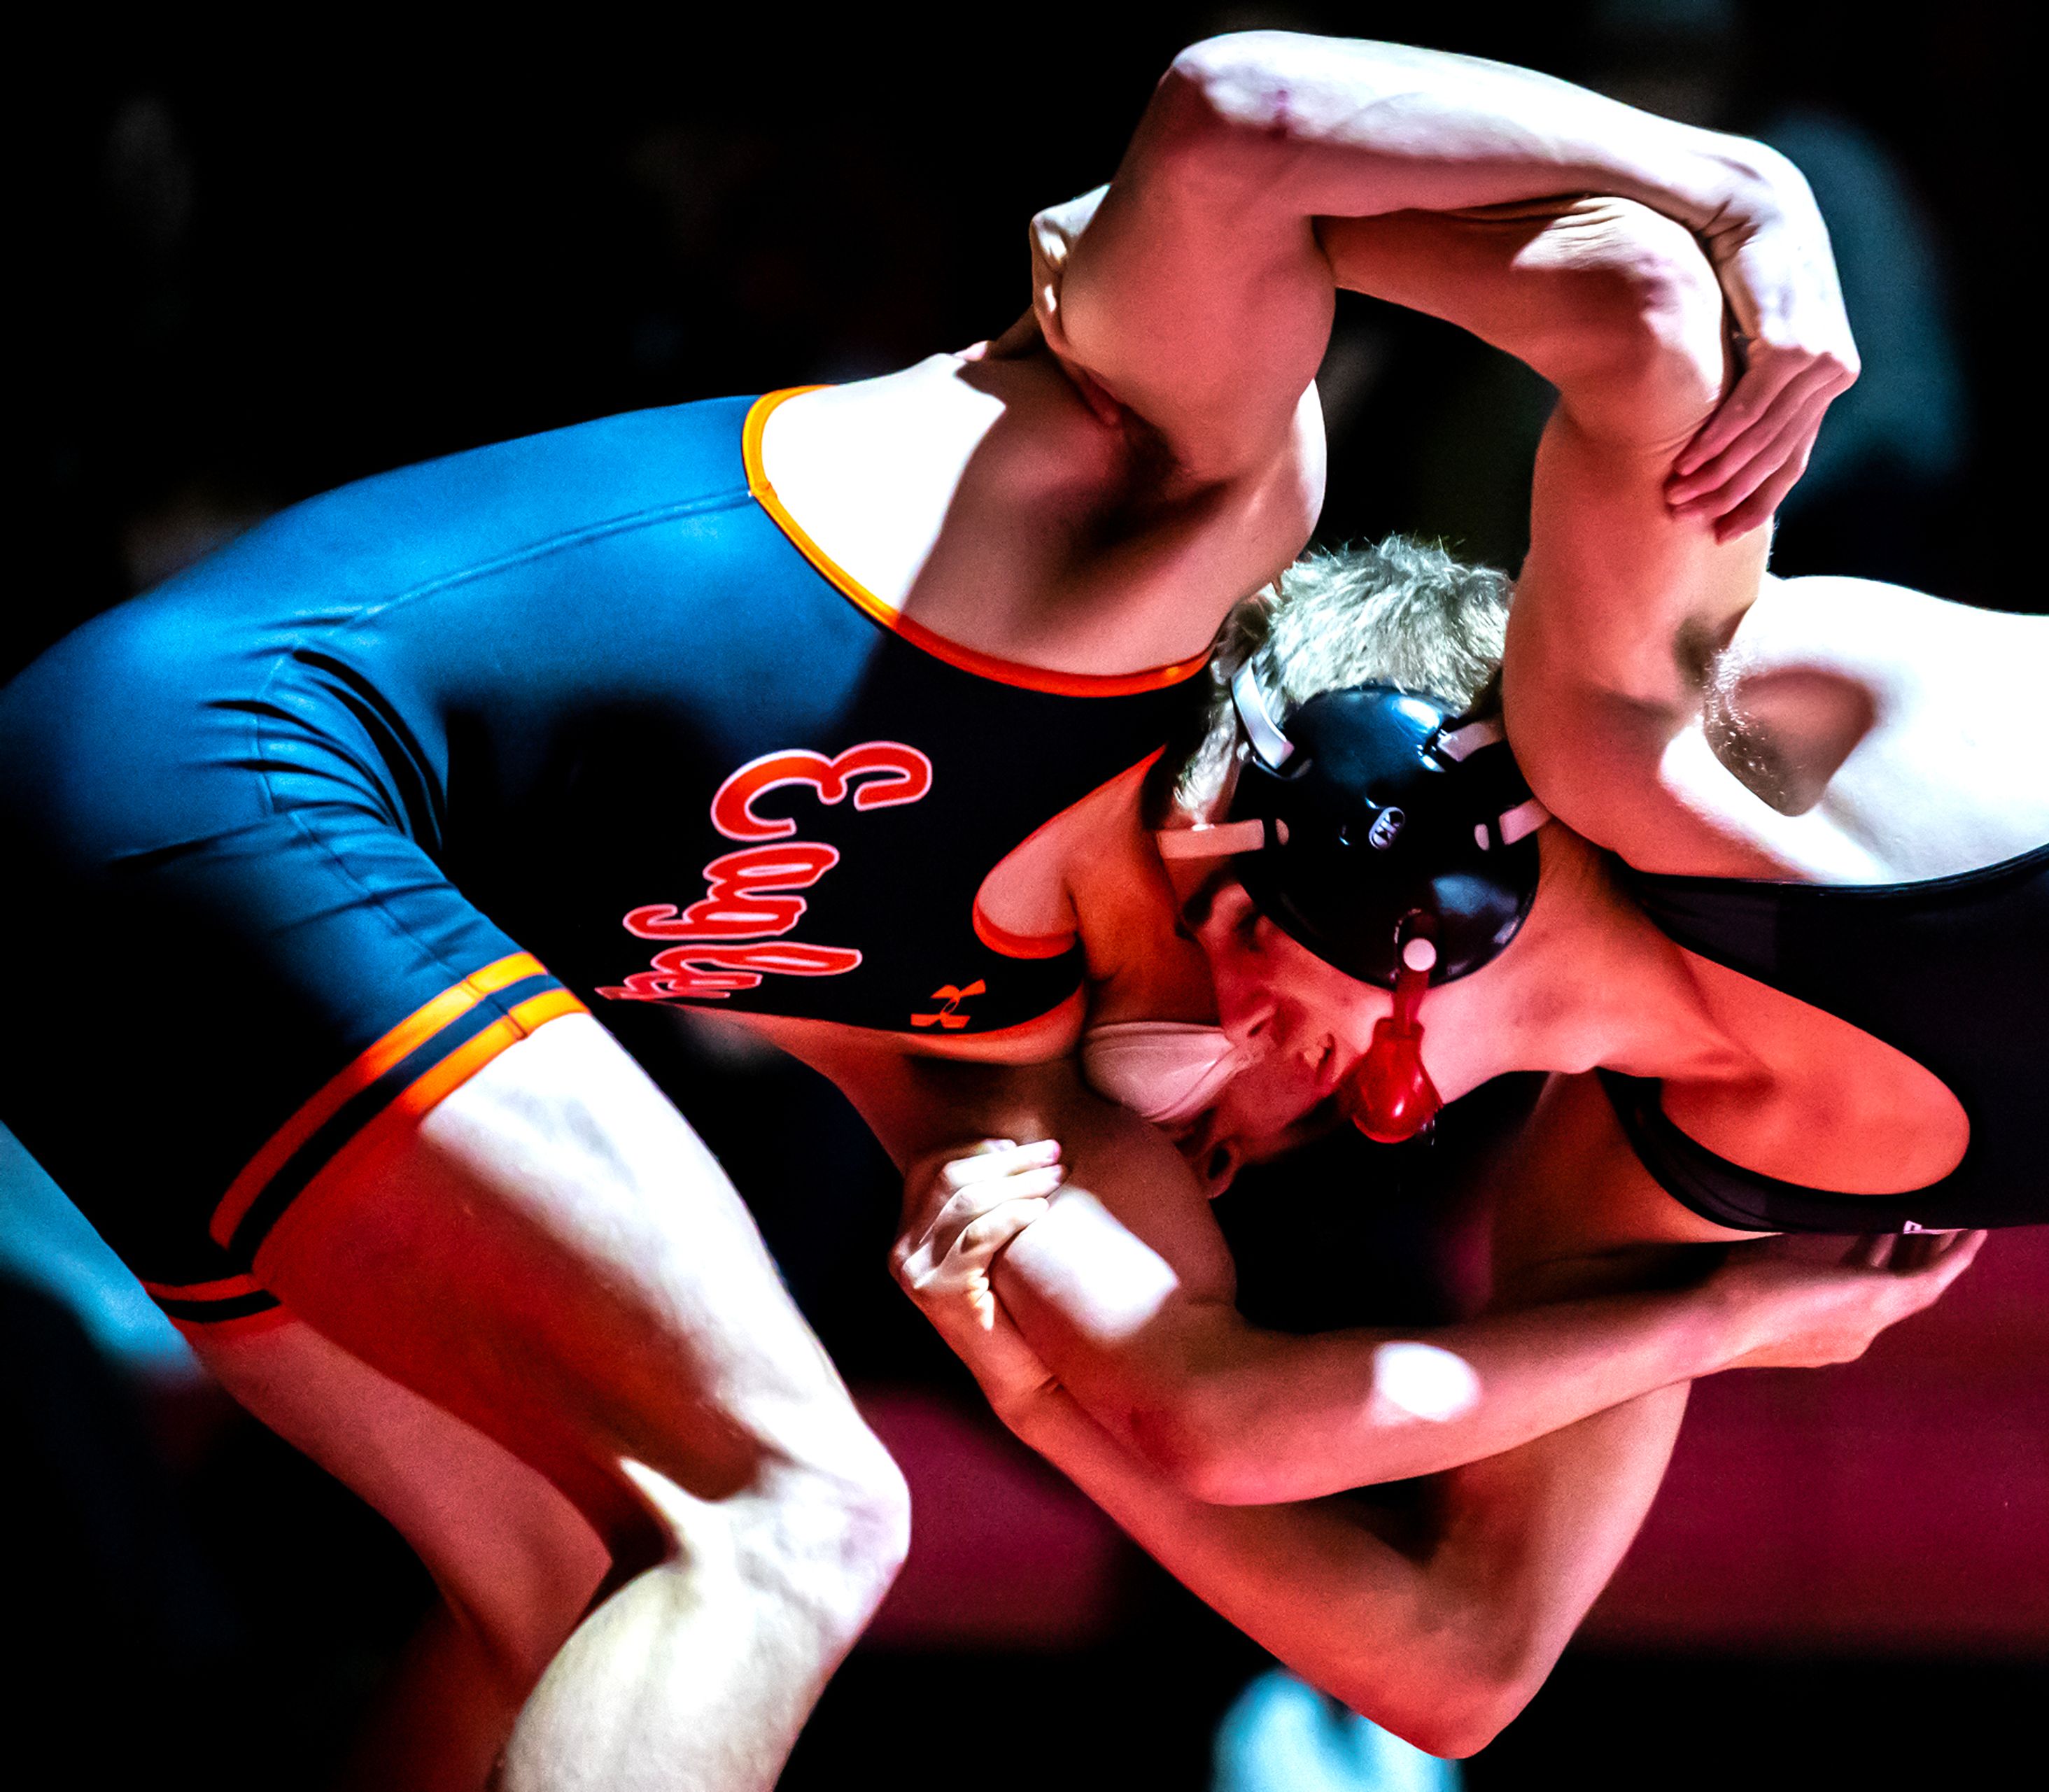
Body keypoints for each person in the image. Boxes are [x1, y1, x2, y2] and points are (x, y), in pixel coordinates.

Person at [0, 35, 1870, 1790]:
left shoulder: (1002, 1073)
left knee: (595, 1592)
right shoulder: (1171, 520)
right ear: (1374, 789)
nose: (1342, 1092)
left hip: (133, 915)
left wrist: (1712, 1311)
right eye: (1413, 977)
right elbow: (1236, 121)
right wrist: (1732, 186)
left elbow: (1305, 1508)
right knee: (795, 1514)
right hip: (229, 760)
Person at [910, 188, 2049, 1779]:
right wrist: (1034, 1397)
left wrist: (1731, 209)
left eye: (1231, 910)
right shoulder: (1629, 1200)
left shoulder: (1667, 743)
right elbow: (1454, 1663)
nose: (1219, 1023)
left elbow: (1641, 307)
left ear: (1397, 795)